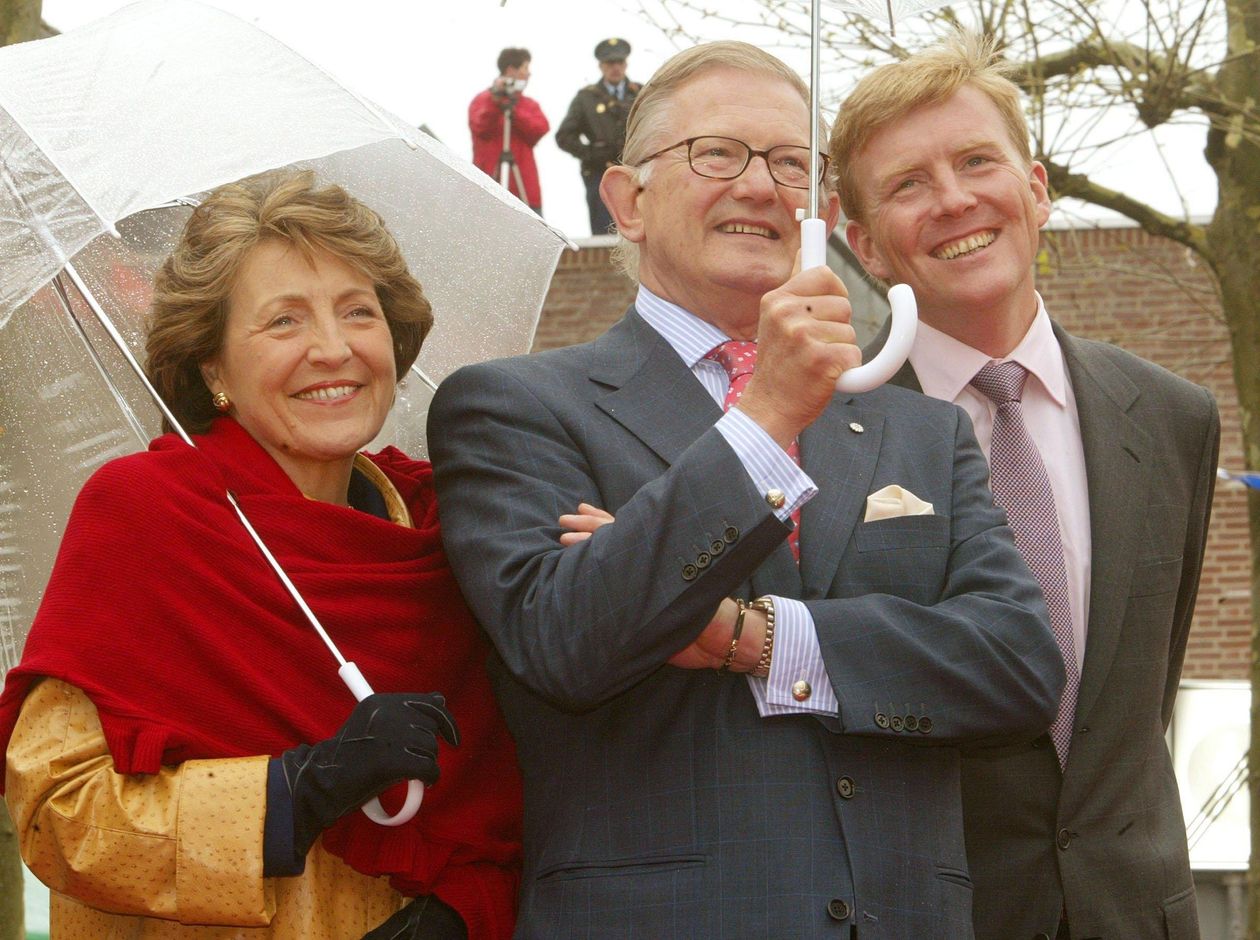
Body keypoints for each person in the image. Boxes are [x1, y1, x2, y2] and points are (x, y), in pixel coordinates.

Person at [428, 41, 1066, 939]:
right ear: (628, 200)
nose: (760, 187)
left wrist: (756, 638)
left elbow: (1017, 669)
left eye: (790, 164)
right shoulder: (517, 407)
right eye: (716, 154)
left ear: (822, 212)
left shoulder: (920, 428)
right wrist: (762, 422)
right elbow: (566, 640)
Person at [0, 171, 523, 940]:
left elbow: (520, 798)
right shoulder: (146, 513)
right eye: (284, 322)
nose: (334, 349)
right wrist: (297, 791)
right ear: (212, 366)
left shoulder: (452, 528)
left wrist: (459, 916)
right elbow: (59, 813)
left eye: (358, 312)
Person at [832, 32, 1219, 940]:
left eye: (976, 162)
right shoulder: (819, 434)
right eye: (908, 185)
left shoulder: (1172, 417)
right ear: (865, 246)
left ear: (1037, 189)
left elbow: (1139, 700)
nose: (954, 199)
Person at [555, 37, 640, 234]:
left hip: (635, 172)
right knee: (604, 234)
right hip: (600, 174)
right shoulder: (586, 98)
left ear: (626, 64)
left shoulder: (640, 93)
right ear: (601, 66)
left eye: (619, 62)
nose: (615, 68)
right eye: (610, 63)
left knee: (640, 230)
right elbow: (564, 136)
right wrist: (592, 154)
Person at [469, 47, 549, 214]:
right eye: (525, 68)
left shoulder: (528, 105)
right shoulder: (483, 100)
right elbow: (480, 127)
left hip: (524, 191)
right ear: (511, 70)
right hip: (488, 187)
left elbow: (540, 128)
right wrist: (495, 102)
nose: (528, 74)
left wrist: (514, 112)